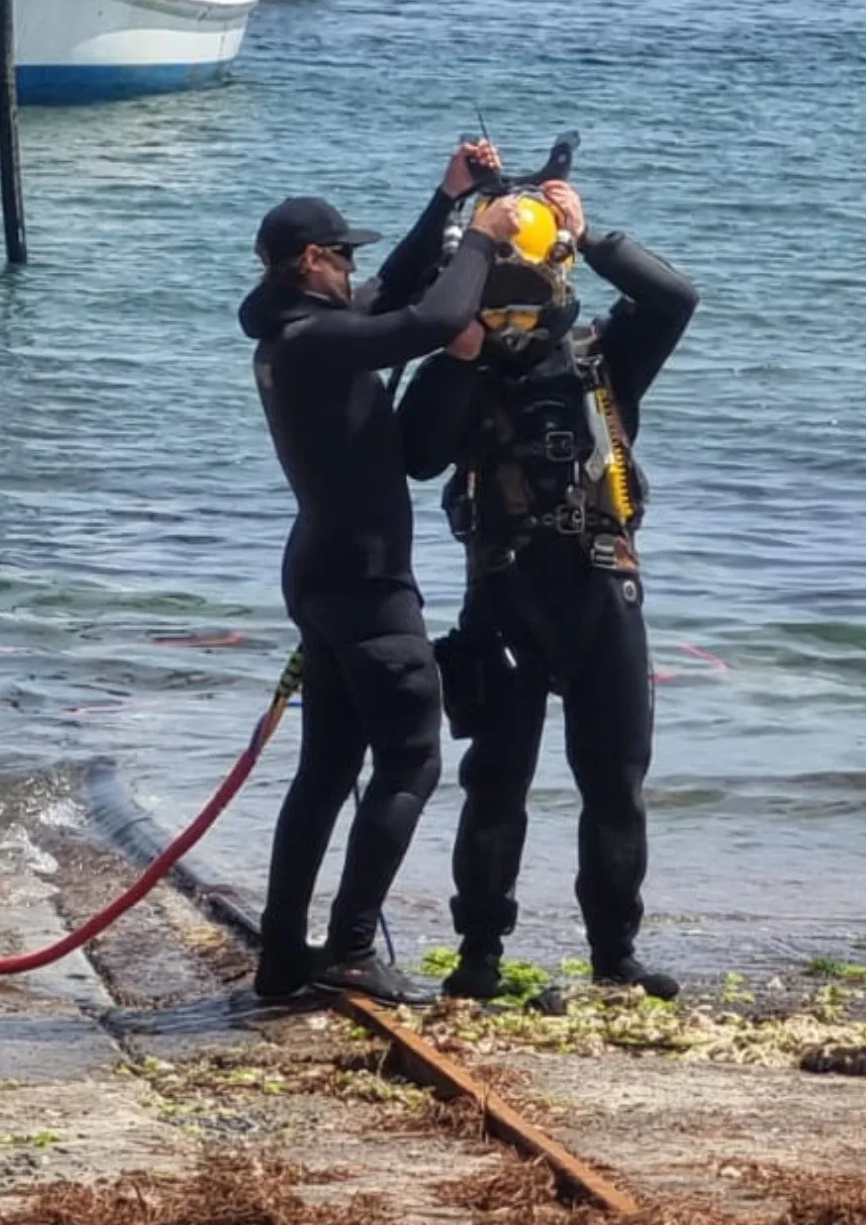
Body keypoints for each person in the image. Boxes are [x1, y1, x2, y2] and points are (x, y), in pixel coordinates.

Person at [399, 173, 698, 1001]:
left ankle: (614, 956)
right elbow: (415, 454)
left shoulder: (602, 357)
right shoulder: (467, 367)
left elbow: (675, 297)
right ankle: (480, 960)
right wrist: (459, 350)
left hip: (603, 588)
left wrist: (592, 234)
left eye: (532, 287)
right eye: (504, 288)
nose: (518, 309)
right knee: (497, 782)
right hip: (504, 596)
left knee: (616, 784)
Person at [239, 145, 524, 1006]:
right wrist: (482, 239)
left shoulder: (298, 331)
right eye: (343, 256)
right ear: (309, 263)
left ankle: (285, 953)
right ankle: (354, 948)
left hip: (321, 571)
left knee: (326, 770)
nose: (354, 268)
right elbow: (429, 324)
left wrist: (448, 198)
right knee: (410, 761)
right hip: (365, 583)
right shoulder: (316, 338)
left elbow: (396, 295)